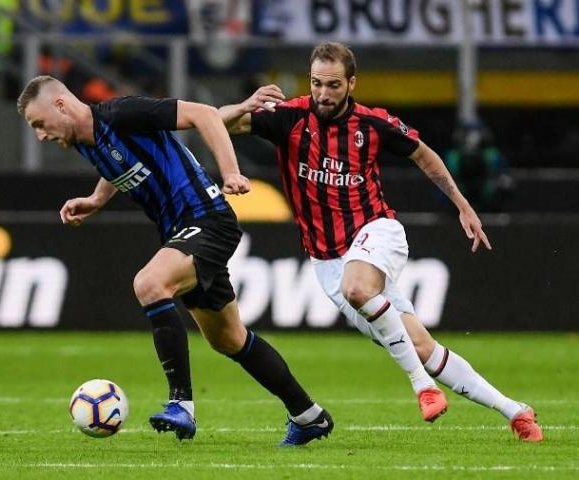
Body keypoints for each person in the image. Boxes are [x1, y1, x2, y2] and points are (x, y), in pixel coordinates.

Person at [218, 42, 543, 442]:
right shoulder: (288, 119)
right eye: (317, 83)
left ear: (351, 83)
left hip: (377, 231)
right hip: (327, 262)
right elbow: (213, 123)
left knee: (358, 288)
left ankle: (422, 387)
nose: (323, 93)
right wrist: (245, 105)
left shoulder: (373, 124)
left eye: (333, 85)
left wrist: (462, 204)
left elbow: (425, 155)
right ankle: (515, 411)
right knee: (421, 345)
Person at [16, 75, 333, 446]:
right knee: (228, 339)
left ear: (60, 105)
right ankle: (308, 415)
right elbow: (118, 165)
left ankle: (180, 403)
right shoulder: (85, 140)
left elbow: (202, 115)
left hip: (207, 219)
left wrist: (231, 171)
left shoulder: (122, 113)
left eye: (39, 124)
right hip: (182, 231)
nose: (40, 135)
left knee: (149, 283)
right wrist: (95, 200)